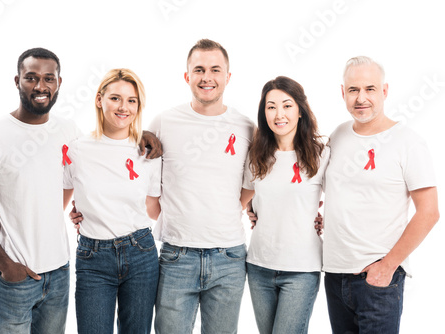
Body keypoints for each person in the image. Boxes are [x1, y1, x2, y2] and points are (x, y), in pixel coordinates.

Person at [0, 48, 162, 334]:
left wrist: (143, 134)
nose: (41, 86)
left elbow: (99, 161)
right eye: (31, 78)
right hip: (22, 270)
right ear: (17, 80)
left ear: (58, 83)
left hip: (60, 270)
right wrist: (5, 263)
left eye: (48, 78)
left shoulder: (68, 132)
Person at [322, 56, 439, 333]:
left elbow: (430, 212)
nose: (361, 98)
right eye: (353, 90)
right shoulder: (338, 134)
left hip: (378, 280)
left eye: (370, 89)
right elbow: (333, 191)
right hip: (335, 276)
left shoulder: (408, 142)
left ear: (384, 91)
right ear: (343, 93)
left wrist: (388, 266)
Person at [151, 39, 255, 333]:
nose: (206, 77)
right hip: (176, 256)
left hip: (229, 257)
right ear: (187, 77)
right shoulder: (164, 122)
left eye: (215, 70)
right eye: (198, 70)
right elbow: (145, 186)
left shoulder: (246, 127)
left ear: (227, 77)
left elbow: (249, 188)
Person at [63, 68, 161, 334]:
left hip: (140, 253)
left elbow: (155, 209)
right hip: (93, 257)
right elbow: (57, 202)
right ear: (99, 100)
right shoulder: (77, 149)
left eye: (132, 100)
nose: (124, 107)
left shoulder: (149, 153)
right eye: (115, 98)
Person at [240, 76, 329, 334]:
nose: (279, 114)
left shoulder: (322, 154)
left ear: (300, 110)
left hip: (301, 270)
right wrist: (250, 208)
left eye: (287, 105)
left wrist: (326, 218)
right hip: (259, 266)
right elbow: (244, 197)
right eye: (271, 106)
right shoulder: (256, 155)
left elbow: (343, 198)